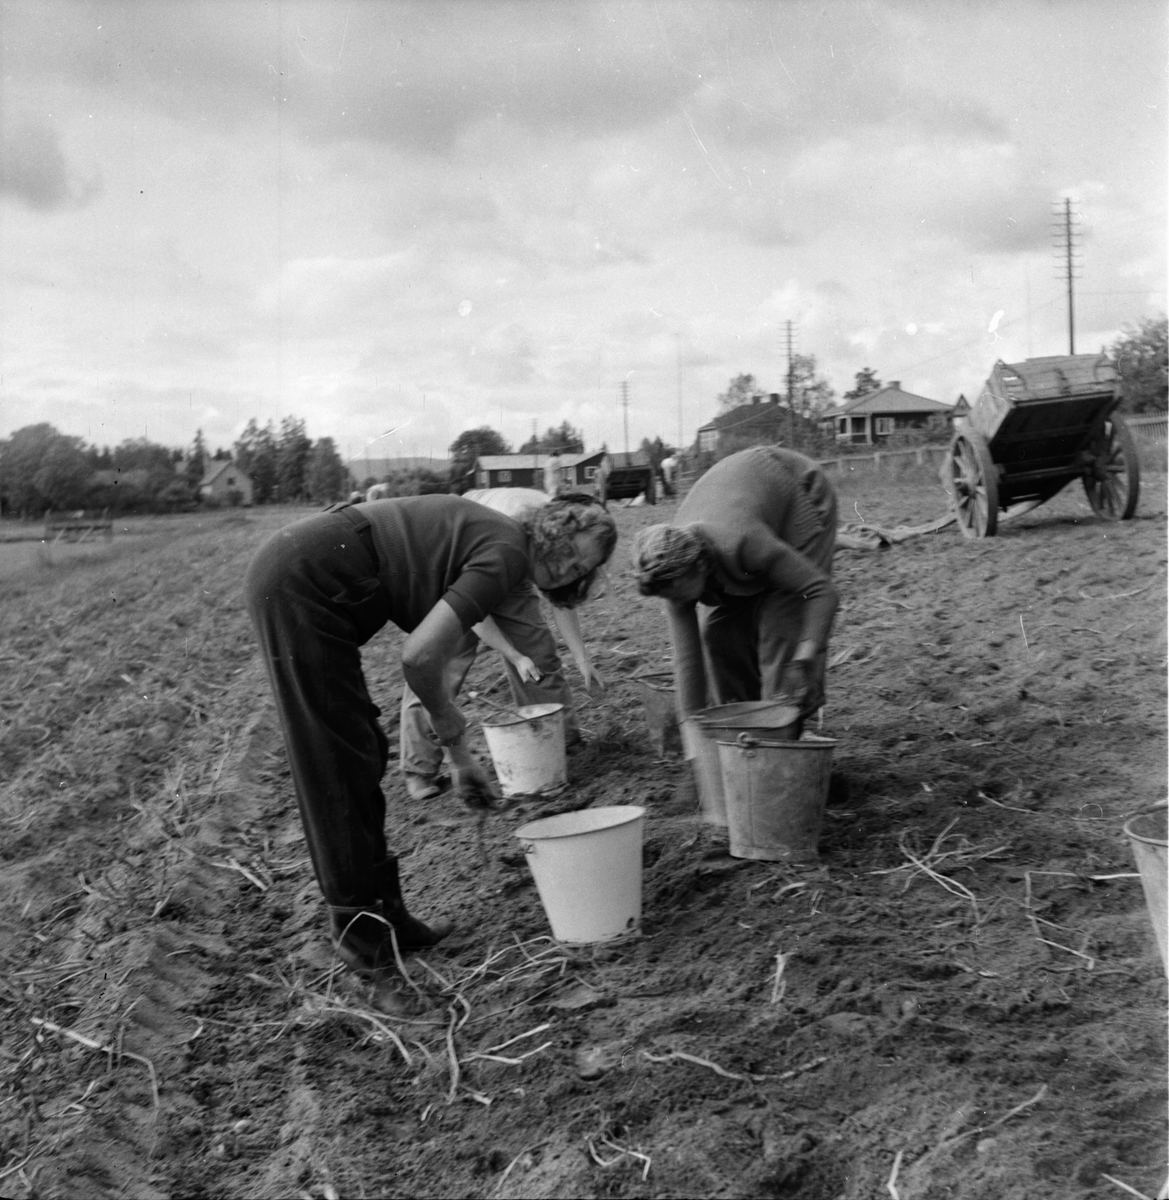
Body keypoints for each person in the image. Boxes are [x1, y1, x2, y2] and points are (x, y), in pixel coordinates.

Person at [243, 493, 616, 979]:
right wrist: (453, 738)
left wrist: (459, 756)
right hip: (301, 578)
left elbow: (437, 645)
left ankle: (387, 916)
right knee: (333, 761)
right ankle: (361, 942)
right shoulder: (507, 551)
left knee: (362, 750)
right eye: (568, 549)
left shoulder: (506, 547)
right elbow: (419, 657)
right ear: (550, 528)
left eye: (580, 567)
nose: (568, 568)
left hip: (309, 568)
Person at [398, 489, 611, 798]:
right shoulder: (517, 523)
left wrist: (582, 659)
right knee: (440, 664)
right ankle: (419, 767)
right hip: (464, 564)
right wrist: (512, 653)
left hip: (521, 565)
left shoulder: (562, 533)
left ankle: (559, 739)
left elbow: (560, 598)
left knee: (538, 656)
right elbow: (474, 615)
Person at [630, 446, 838, 729]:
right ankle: (742, 727)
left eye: (678, 593)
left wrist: (806, 655)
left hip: (798, 492)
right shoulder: (669, 571)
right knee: (719, 635)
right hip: (745, 505)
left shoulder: (743, 542)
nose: (676, 602)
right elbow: (687, 663)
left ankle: (784, 735)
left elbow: (821, 592)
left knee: (781, 630)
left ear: (700, 565)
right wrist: (695, 736)